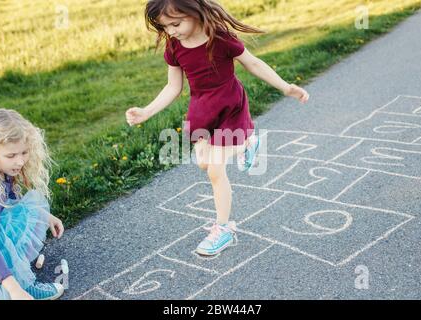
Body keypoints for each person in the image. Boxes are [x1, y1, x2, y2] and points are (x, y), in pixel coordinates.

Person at [126, 0, 309, 256]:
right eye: (165, 26)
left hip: (229, 106)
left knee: (214, 169)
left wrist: (285, 86)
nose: (171, 31)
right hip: (201, 109)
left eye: (176, 24)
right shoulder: (175, 46)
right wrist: (146, 111)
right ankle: (248, 143)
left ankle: (223, 229)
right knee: (203, 163)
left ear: (194, 12)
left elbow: (253, 63)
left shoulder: (219, 37)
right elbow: (173, 87)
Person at [0, 108, 65, 300]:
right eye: (11, 156)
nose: (20, 161)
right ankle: (21, 285)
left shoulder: (0, 170)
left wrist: (45, 216)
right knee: (2, 235)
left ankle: (14, 277)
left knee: (21, 209)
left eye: (24, 152)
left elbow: (12, 200)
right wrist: (15, 290)